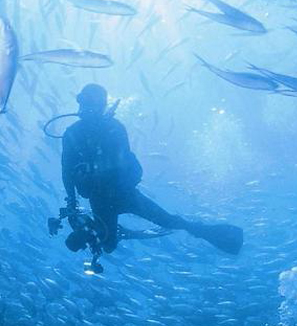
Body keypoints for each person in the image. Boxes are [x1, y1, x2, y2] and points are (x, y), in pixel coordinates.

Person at [60, 84, 243, 255]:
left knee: (167, 221)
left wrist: (92, 171)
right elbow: (66, 171)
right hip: (99, 197)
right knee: (108, 246)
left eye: (91, 102)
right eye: (83, 101)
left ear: (101, 105)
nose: (86, 106)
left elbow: (121, 160)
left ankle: (211, 232)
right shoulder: (71, 134)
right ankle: (115, 232)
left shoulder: (114, 127)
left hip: (124, 192)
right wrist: (72, 203)